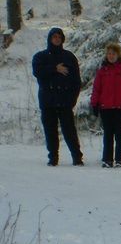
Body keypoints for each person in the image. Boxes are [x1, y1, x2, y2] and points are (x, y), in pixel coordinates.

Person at [31, 27, 84, 166]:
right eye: (54, 37)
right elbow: (37, 72)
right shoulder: (40, 56)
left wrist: (72, 99)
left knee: (70, 131)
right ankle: (53, 158)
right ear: (49, 39)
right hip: (47, 101)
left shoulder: (69, 57)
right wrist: (55, 69)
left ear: (62, 39)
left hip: (65, 101)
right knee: (50, 132)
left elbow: (76, 81)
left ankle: (77, 157)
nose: (56, 39)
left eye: (59, 37)